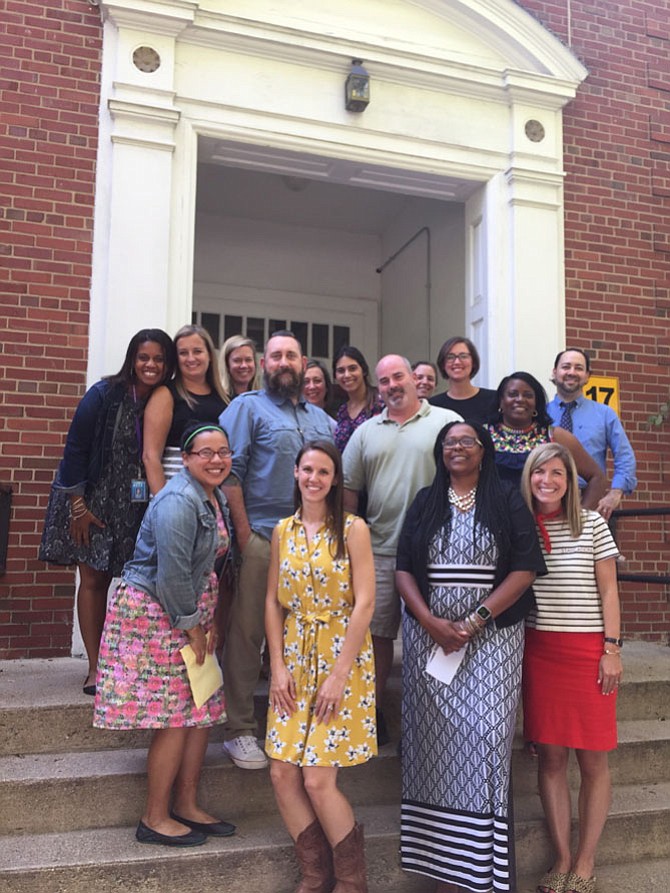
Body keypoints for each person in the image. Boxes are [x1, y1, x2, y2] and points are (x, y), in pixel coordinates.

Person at [396, 420, 546, 893]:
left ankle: (479, 872)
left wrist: (474, 620)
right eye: (449, 443)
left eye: (467, 442)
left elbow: (525, 568)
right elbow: (402, 569)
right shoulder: (425, 501)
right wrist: (430, 622)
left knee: (484, 743)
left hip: (492, 641)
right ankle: (443, 869)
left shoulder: (506, 499)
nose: (457, 449)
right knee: (433, 750)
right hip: (429, 642)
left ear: (484, 450)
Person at [93, 423, 236, 847]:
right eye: (205, 452)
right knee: (175, 717)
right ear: (187, 459)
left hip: (191, 611)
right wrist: (193, 629)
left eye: (223, 452)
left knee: (201, 709)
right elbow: (172, 577)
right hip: (159, 614)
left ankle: (187, 805)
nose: (216, 460)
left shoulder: (215, 495)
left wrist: (205, 621)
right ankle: (154, 817)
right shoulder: (178, 501)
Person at [219, 331, 335, 769]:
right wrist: (246, 536)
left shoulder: (322, 420)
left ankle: (291, 723)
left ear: (303, 363)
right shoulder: (246, 408)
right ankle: (239, 728)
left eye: (291, 355)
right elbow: (229, 474)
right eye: (276, 355)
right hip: (265, 538)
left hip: (313, 544)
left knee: (302, 637)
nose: (283, 362)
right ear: (263, 363)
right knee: (249, 632)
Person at [266, 440, 376, 893]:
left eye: (324, 472)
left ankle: (351, 879)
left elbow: (366, 602)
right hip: (293, 656)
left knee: (317, 779)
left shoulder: (352, 529)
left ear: (334, 480)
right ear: (295, 473)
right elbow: (273, 602)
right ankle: (315, 874)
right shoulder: (281, 531)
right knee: (281, 771)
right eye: (307, 469)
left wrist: (338, 673)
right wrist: (276, 665)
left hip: (341, 657)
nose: (314, 478)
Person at [39, 328, 175, 695]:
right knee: (95, 581)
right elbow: (75, 449)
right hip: (93, 502)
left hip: (137, 504)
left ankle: (130, 663)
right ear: (132, 358)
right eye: (144, 357)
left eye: (159, 358)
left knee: (137, 585)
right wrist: (78, 507)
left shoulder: (165, 398)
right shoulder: (102, 394)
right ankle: (96, 668)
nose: (151, 365)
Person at [520, 443, 622, 893]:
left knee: (593, 760)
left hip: (587, 654)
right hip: (539, 651)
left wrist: (612, 648)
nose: (548, 480)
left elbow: (608, 593)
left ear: (570, 481)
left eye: (558, 473)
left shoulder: (594, 525)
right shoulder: (521, 528)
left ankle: (585, 861)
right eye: (539, 472)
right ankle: (561, 857)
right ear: (528, 478)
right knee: (552, 760)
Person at [343, 355, 460, 744]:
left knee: (428, 634)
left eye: (398, 376)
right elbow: (348, 491)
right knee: (374, 636)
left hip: (434, 551)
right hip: (377, 549)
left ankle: (428, 720)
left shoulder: (444, 423)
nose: (392, 385)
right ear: (378, 388)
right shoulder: (366, 433)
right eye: (384, 380)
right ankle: (372, 713)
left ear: (414, 378)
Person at [487, 371, 607, 509]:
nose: (520, 399)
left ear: (536, 403)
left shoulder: (555, 436)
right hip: (493, 522)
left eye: (528, 395)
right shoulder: (482, 436)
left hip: (545, 525)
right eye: (513, 394)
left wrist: (582, 520)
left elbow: (597, 478)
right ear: (501, 401)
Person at [547, 348, 637, 521]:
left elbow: (625, 456)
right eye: (566, 367)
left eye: (579, 368)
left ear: (588, 375)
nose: (572, 372)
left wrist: (615, 492)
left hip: (591, 500)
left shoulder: (604, 414)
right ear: (555, 372)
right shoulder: (540, 414)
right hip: (547, 499)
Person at [143, 324, 227, 494]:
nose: (190, 358)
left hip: (214, 501)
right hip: (176, 496)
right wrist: (164, 502)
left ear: (210, 355)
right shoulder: (165, 394)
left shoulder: (224, 400)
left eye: (197, 351)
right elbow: (150, 457)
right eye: (183, 353)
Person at [429, 336, 497, 422]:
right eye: (450, 357)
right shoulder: (433, 406)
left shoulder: (494, 399)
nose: (457, 362)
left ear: (474, 362)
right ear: (443, 364)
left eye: (463, 356)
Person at [332, 346, 384, 453]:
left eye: (352, 368)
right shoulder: (342, 411)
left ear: (363, 370)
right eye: (341, 371)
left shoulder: (381, 402)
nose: (347, 375)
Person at [218, 334, 260, 405]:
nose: (244, 365)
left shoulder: (262, 401)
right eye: (237, 360)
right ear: (226, 364)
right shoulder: (217, 400)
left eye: (248, 360)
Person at [303, 359, 337, 431]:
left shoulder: (334, 427)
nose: (312, 386)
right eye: (306, 382)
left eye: (317, 381)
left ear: (327, 386)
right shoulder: (290, 422)